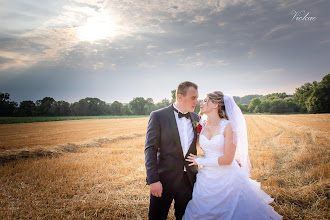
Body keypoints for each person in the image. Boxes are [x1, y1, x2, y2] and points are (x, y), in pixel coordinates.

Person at [183, 91, 282, 220]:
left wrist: (200, 161)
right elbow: (196, 146)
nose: (201, 103)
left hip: (227, 177)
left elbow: (227, 160)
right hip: (206, 177)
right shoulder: (203, 124)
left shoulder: (229, 126)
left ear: (215, 105)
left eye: (206, 100)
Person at [145, 81, 200, 219]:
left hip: (189, 181)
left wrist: (230, 159)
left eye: (197, 98)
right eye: (193, 98)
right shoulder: (158, 116)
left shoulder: (196, 118)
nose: (197, 102)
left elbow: (209, 143)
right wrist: (153, 180)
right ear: (180, 97)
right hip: (163, 181)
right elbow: (150, 149)